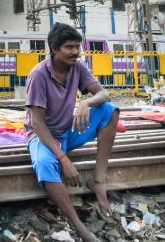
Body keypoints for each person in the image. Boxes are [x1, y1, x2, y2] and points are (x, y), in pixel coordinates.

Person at [25, 23, 119, 242]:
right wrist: (64, 160)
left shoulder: (77, 67)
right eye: (69, 47)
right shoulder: (38, 75)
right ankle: (79, 227)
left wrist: (86, 102)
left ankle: (98, 181)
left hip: (68, 129)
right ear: (54, 48)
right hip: (44, 135)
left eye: (77, 46)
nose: (75, 52)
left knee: (110, 111)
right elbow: (37, 123)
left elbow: (104, 94)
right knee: (45, 164)